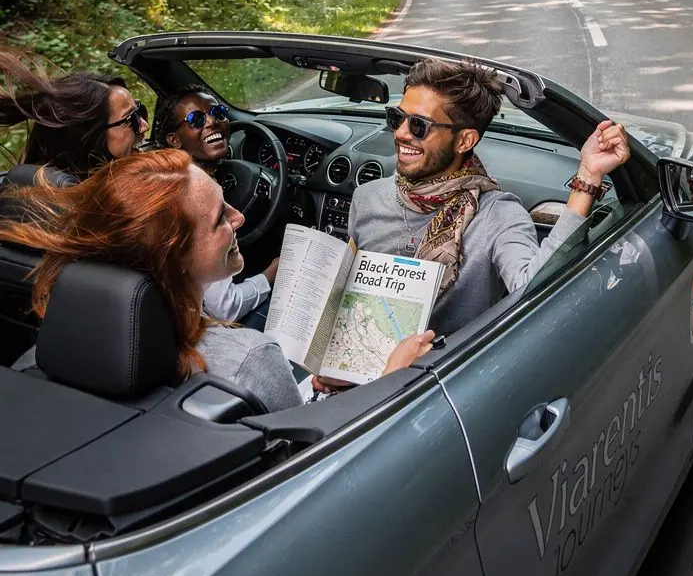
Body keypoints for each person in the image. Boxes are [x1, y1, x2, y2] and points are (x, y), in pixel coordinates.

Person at [2, 149, 434, 411]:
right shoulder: (249, 358)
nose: (239, 217)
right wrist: (389, 380)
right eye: (218, 220)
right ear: (177, 257)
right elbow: (314, 458)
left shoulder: (38, 358)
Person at [348, 56, 630, 339]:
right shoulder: (367, 198)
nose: (400, 133)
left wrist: (589, 175)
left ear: (464, 141)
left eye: (419, 126)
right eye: (397, 118)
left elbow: (534, 287)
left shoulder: (498, 216)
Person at [153, 86, 279, 326]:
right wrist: (269, 275)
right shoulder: (193, 197)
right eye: (196, 119)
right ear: (174, 140)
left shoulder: (173, 179)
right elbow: (225, 307)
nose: (212, 122)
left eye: (219, 113)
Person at [0, 50, 148, 181]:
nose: (145, 126)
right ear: (90, 138)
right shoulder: (101, 208)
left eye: (139, 111)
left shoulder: (21, 186)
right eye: (131, 119)